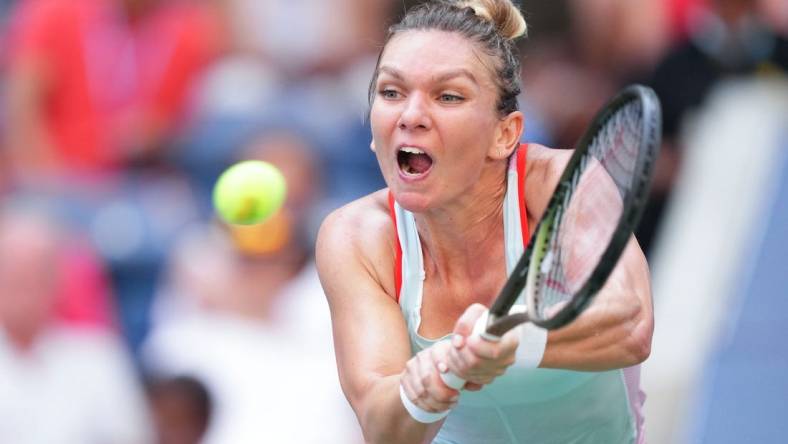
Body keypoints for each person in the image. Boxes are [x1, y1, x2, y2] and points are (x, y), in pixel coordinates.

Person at [315, 1, 654, 443]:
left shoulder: (562, 184)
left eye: (448, 96)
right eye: (391, 92)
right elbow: (384, 429)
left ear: (505, 134)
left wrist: (509, 341)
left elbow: (630, 324)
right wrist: (426, 387)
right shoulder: (355, 237)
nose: (410, 115)